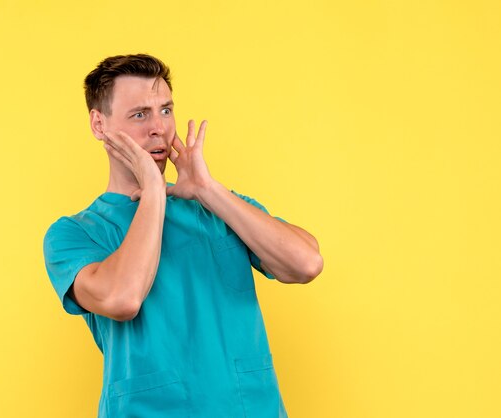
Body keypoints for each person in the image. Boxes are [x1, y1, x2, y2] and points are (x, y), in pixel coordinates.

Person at [43, 53, 323, 417]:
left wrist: (208, 190)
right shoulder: (75, 233)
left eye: (165, 110)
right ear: (99, 124)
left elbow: (306, 263)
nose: (158, 127)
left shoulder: (216, 206)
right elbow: (123, 298)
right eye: (140, 114)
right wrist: (154, 193)